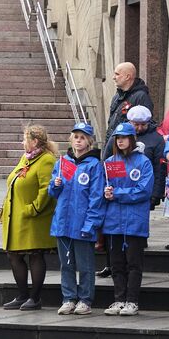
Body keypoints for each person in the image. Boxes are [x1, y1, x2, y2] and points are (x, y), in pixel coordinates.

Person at [48, 122, 105, 316]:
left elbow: (96, 197)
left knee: (85, 265)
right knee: (66, 264)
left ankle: (85, 299)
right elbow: (53, 191)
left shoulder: (94, 165)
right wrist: (55, 185)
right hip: (63, 222)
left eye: (82, 137)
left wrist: (91, 223)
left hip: (82, 223)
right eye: (76, 137)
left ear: (89, 141)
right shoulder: (63, 162)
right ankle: (68, 298)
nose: (78, 141)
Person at [0, 124, 58, 311]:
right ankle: (22, 295)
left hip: (33, 218)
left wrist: (33, 209)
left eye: (25, 139)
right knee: (13, 255)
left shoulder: (46, 160)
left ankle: (35, 298)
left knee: (35, 254)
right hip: (16, 217)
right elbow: (15, 181)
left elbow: (46, 190)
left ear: (34, 141)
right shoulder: (26, 157)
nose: (22, 142)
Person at [100, 122, 152, 316]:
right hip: (114, 221)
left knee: (133, 263)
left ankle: (132, 300)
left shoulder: (143, 162)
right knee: (116, 264)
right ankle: (119, 299)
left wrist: (117, 193)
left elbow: (143, 191)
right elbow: (107, 186)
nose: (120, 141)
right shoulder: (111, 161)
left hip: (134, 221)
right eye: (117, 138)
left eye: (124, 138)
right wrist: (105, 191)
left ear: (132, 139)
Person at [106, 62, 153, 137]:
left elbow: (147, 125)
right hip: (114, 143)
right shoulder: (117, 96)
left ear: (127, 77)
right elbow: (111, 124)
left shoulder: (141, 97)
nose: (114, 77)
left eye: (117, 74)